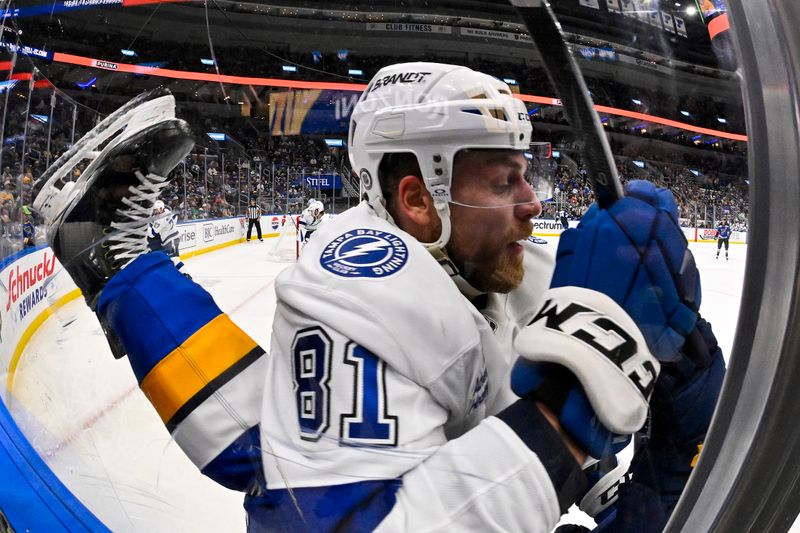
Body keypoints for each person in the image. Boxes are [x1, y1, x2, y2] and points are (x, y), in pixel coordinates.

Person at [37, 68, 723, 532]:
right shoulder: (367, 282)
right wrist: (572, 416)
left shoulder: (518, 269)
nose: (532, 202)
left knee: (270, 437)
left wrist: (684, 419)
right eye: (501, 180)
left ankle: (113, 257)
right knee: (296, 466)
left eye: (526, 173)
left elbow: (615, 500)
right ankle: (117, 260)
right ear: (418, 199)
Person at [147, 199, 184, 270]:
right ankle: (179, 275)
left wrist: (148, 225)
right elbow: (175, 217)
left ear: (161, 209)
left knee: (174, 259)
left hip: (170, 240)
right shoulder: (167, 211)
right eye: (154, 210)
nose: (155, 212)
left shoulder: (160, 219)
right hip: (173, 238)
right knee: (172, 259)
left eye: (156, 210)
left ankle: (185, 275)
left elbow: (152, 234)